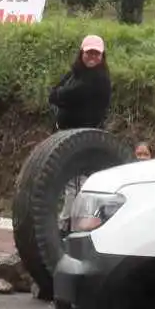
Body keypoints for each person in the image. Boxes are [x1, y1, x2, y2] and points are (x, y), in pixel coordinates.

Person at [49, 35, 113, 219]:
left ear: (102, 56)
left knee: (76, 183)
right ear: (81, 53)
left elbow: (69, 94)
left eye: (96, 53)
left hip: (84, 138)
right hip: (65, 135)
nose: (92, 57)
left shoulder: (99, 80)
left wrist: (61, 97)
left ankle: (68, 224)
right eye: (88, 53)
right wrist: (61, 97)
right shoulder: (75, 73)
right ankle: (68, 222)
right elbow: (53, 94)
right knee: (69, 182)